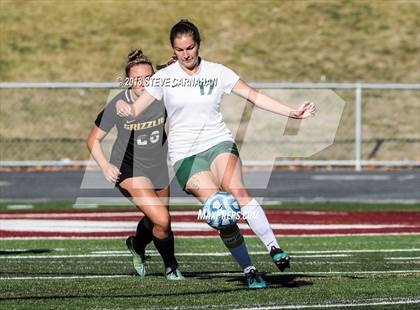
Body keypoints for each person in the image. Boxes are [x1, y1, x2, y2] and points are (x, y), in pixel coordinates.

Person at [116, 20, 316, 289]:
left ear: (199, 43)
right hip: (185, 155)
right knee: (220, 211)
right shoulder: (163, 78)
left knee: (237, 190)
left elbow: (254, 96)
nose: (186, 54)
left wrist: (292, 112)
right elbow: (136, 107)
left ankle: (274, 247)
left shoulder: (218, 72)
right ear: (173, 50)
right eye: (179, 50)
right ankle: (249, 270)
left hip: (217, 141)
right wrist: (122, 106)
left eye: (190, 47)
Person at [87, 49, 184, 280]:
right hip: (129, 169)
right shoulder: (119, 104)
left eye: (148, 78)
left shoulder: (163, 96)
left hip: (158, 167)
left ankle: (137, 245)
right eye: (138, 79)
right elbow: (93, 140)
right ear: (129, 81)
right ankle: (171, 267)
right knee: (162, 219)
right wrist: (104, 165)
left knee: (157, 223)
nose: (143, 83)